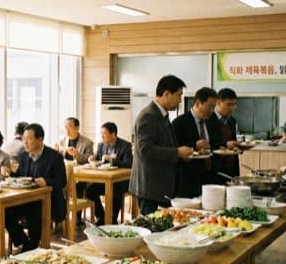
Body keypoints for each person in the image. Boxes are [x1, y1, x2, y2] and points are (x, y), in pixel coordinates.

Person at [130, 75, 194, 215]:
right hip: (150, 187)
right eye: (178, 96)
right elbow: (145, 150)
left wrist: (181, 155)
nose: (180, 101)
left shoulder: (162, 115)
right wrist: (177, 152)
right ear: (166, 94)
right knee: (151, 230)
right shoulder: (148, 116)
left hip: (161, 186)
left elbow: (166, 144)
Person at [5, 123, 66, 252]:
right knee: (6, 211)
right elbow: (20, 176)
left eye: (29, 139)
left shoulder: (55, 157)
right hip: (26, 199)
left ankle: (32, 245)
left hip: (48, 202)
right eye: (23, 139)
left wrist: (47, 182)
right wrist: (9, 173)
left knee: (34, 210)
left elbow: (62, 182)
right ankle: (23, 241)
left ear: (40, 139)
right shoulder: (24, 155)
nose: (25, 143)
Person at [172, 87, 219, 197]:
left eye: (214, 107)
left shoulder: (212, 120)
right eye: (210, 107)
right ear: (198, 103)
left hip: (209, 176)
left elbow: (215, 143)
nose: (212, 111)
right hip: (189, 178)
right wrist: (195, 145)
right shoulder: (180, 123)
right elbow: (175, 148)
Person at [85, 122, 133, 225]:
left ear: (113, 134)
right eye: (101, 133)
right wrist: (92, 158)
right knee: (90, 190)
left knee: (116, 189)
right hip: (105, 180)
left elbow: (129, 164)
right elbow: (98, 159)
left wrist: (111, 160)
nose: (102, 136)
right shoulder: (101, 145)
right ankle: (102, 217)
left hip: (121, 181)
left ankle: (112, 217)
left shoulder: (125, 146)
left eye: (104, 133)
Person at [207, 88, 241, 179]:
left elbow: (233, 144)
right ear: (218, 103)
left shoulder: (232, 121)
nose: (232, 108)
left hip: (231, 169)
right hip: (215, 170)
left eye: (234, 105)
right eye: (229, 104)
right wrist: (225, 145)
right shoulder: (208, 120)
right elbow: (208, 144)